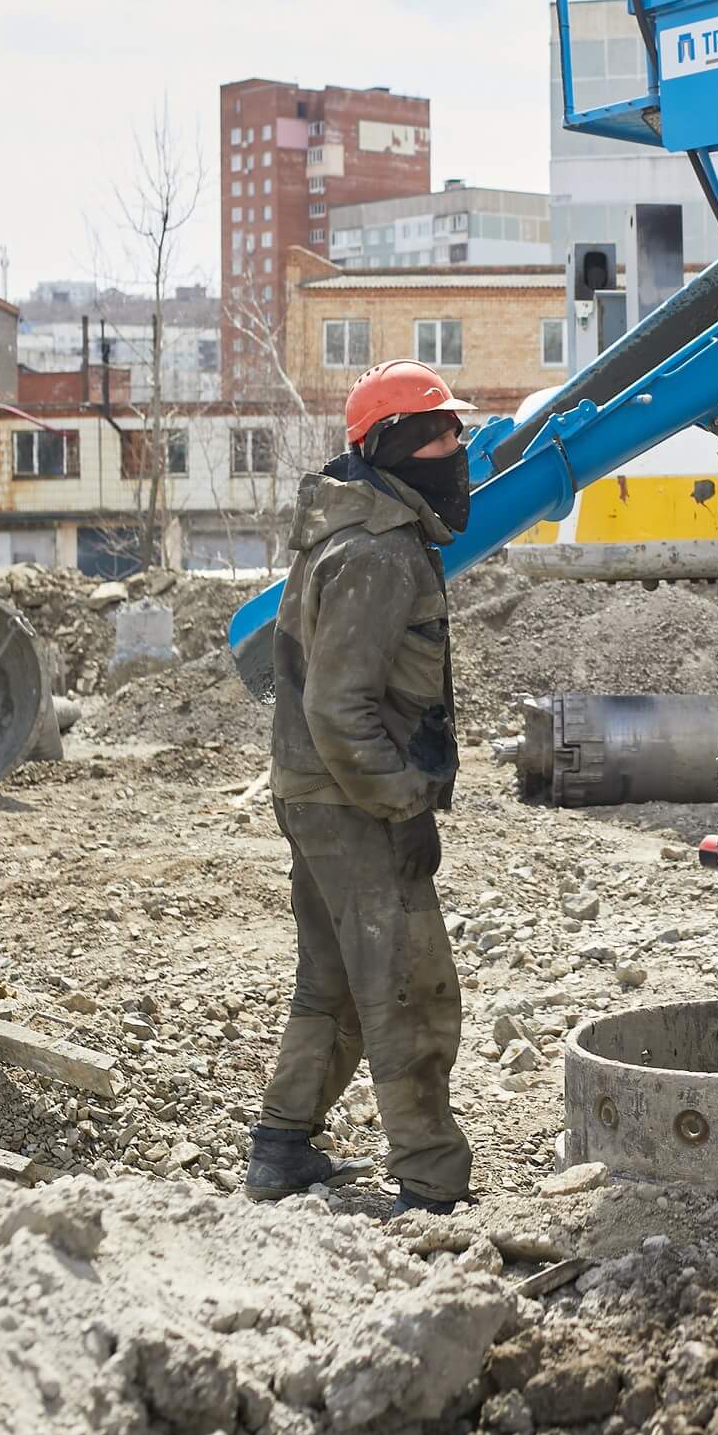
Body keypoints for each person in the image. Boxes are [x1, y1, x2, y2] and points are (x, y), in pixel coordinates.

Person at [246, 359, 478, 1213]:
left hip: (322, 792)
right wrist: (404, 804)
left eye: (455, 431)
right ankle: (430, 1180)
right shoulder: (376, 551)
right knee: (408, 985)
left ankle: (280, 1147)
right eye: (438, 434)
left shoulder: (363, 531)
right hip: (351, 802)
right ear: (390, 446)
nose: (456, 448)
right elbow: (340, 706)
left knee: (336, 980)